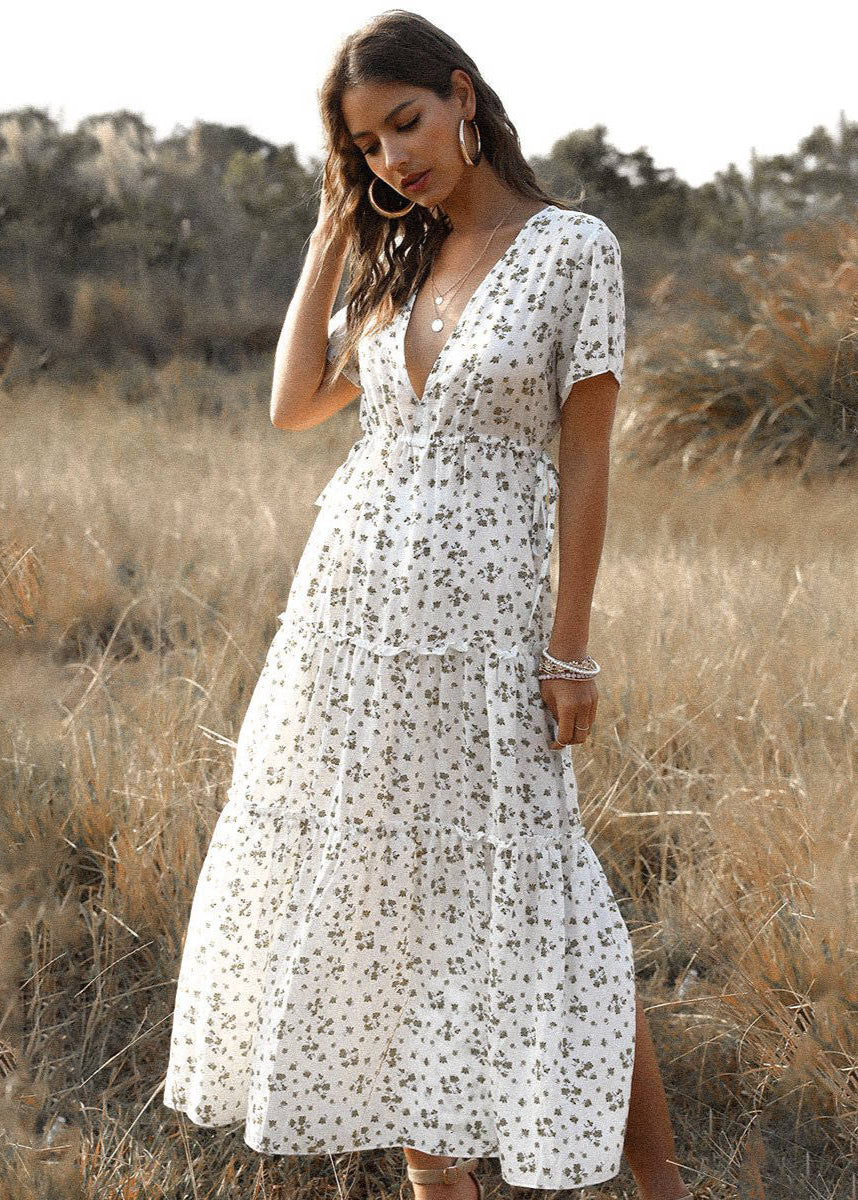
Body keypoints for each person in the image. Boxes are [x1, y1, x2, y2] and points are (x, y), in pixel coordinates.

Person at [163, 11, 695, 1200]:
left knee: (556, 903)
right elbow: (295, 404)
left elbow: (587, 456)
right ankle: (437, 1182)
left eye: (404, 123)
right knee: (382, 905)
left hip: (487, 634)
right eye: (366, 145)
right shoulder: (394, 258)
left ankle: (666, 1189)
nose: (393, 157)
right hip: (350, 632)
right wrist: (330, 227)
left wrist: (570, 650)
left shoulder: (572, 248)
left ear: (462, 95)